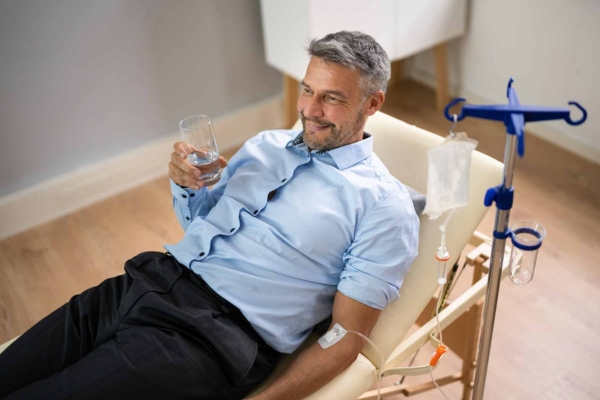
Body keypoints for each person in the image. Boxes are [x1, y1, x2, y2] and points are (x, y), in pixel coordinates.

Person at [0, 31, 419, 400]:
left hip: (207, 341)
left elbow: (345, 341)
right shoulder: (267, 145)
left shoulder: (384, 208)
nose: (310, 109)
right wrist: (187, 185)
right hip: (144, 281)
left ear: (373, 103)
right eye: (308, 89)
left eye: (331, 97)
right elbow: (204, 226)